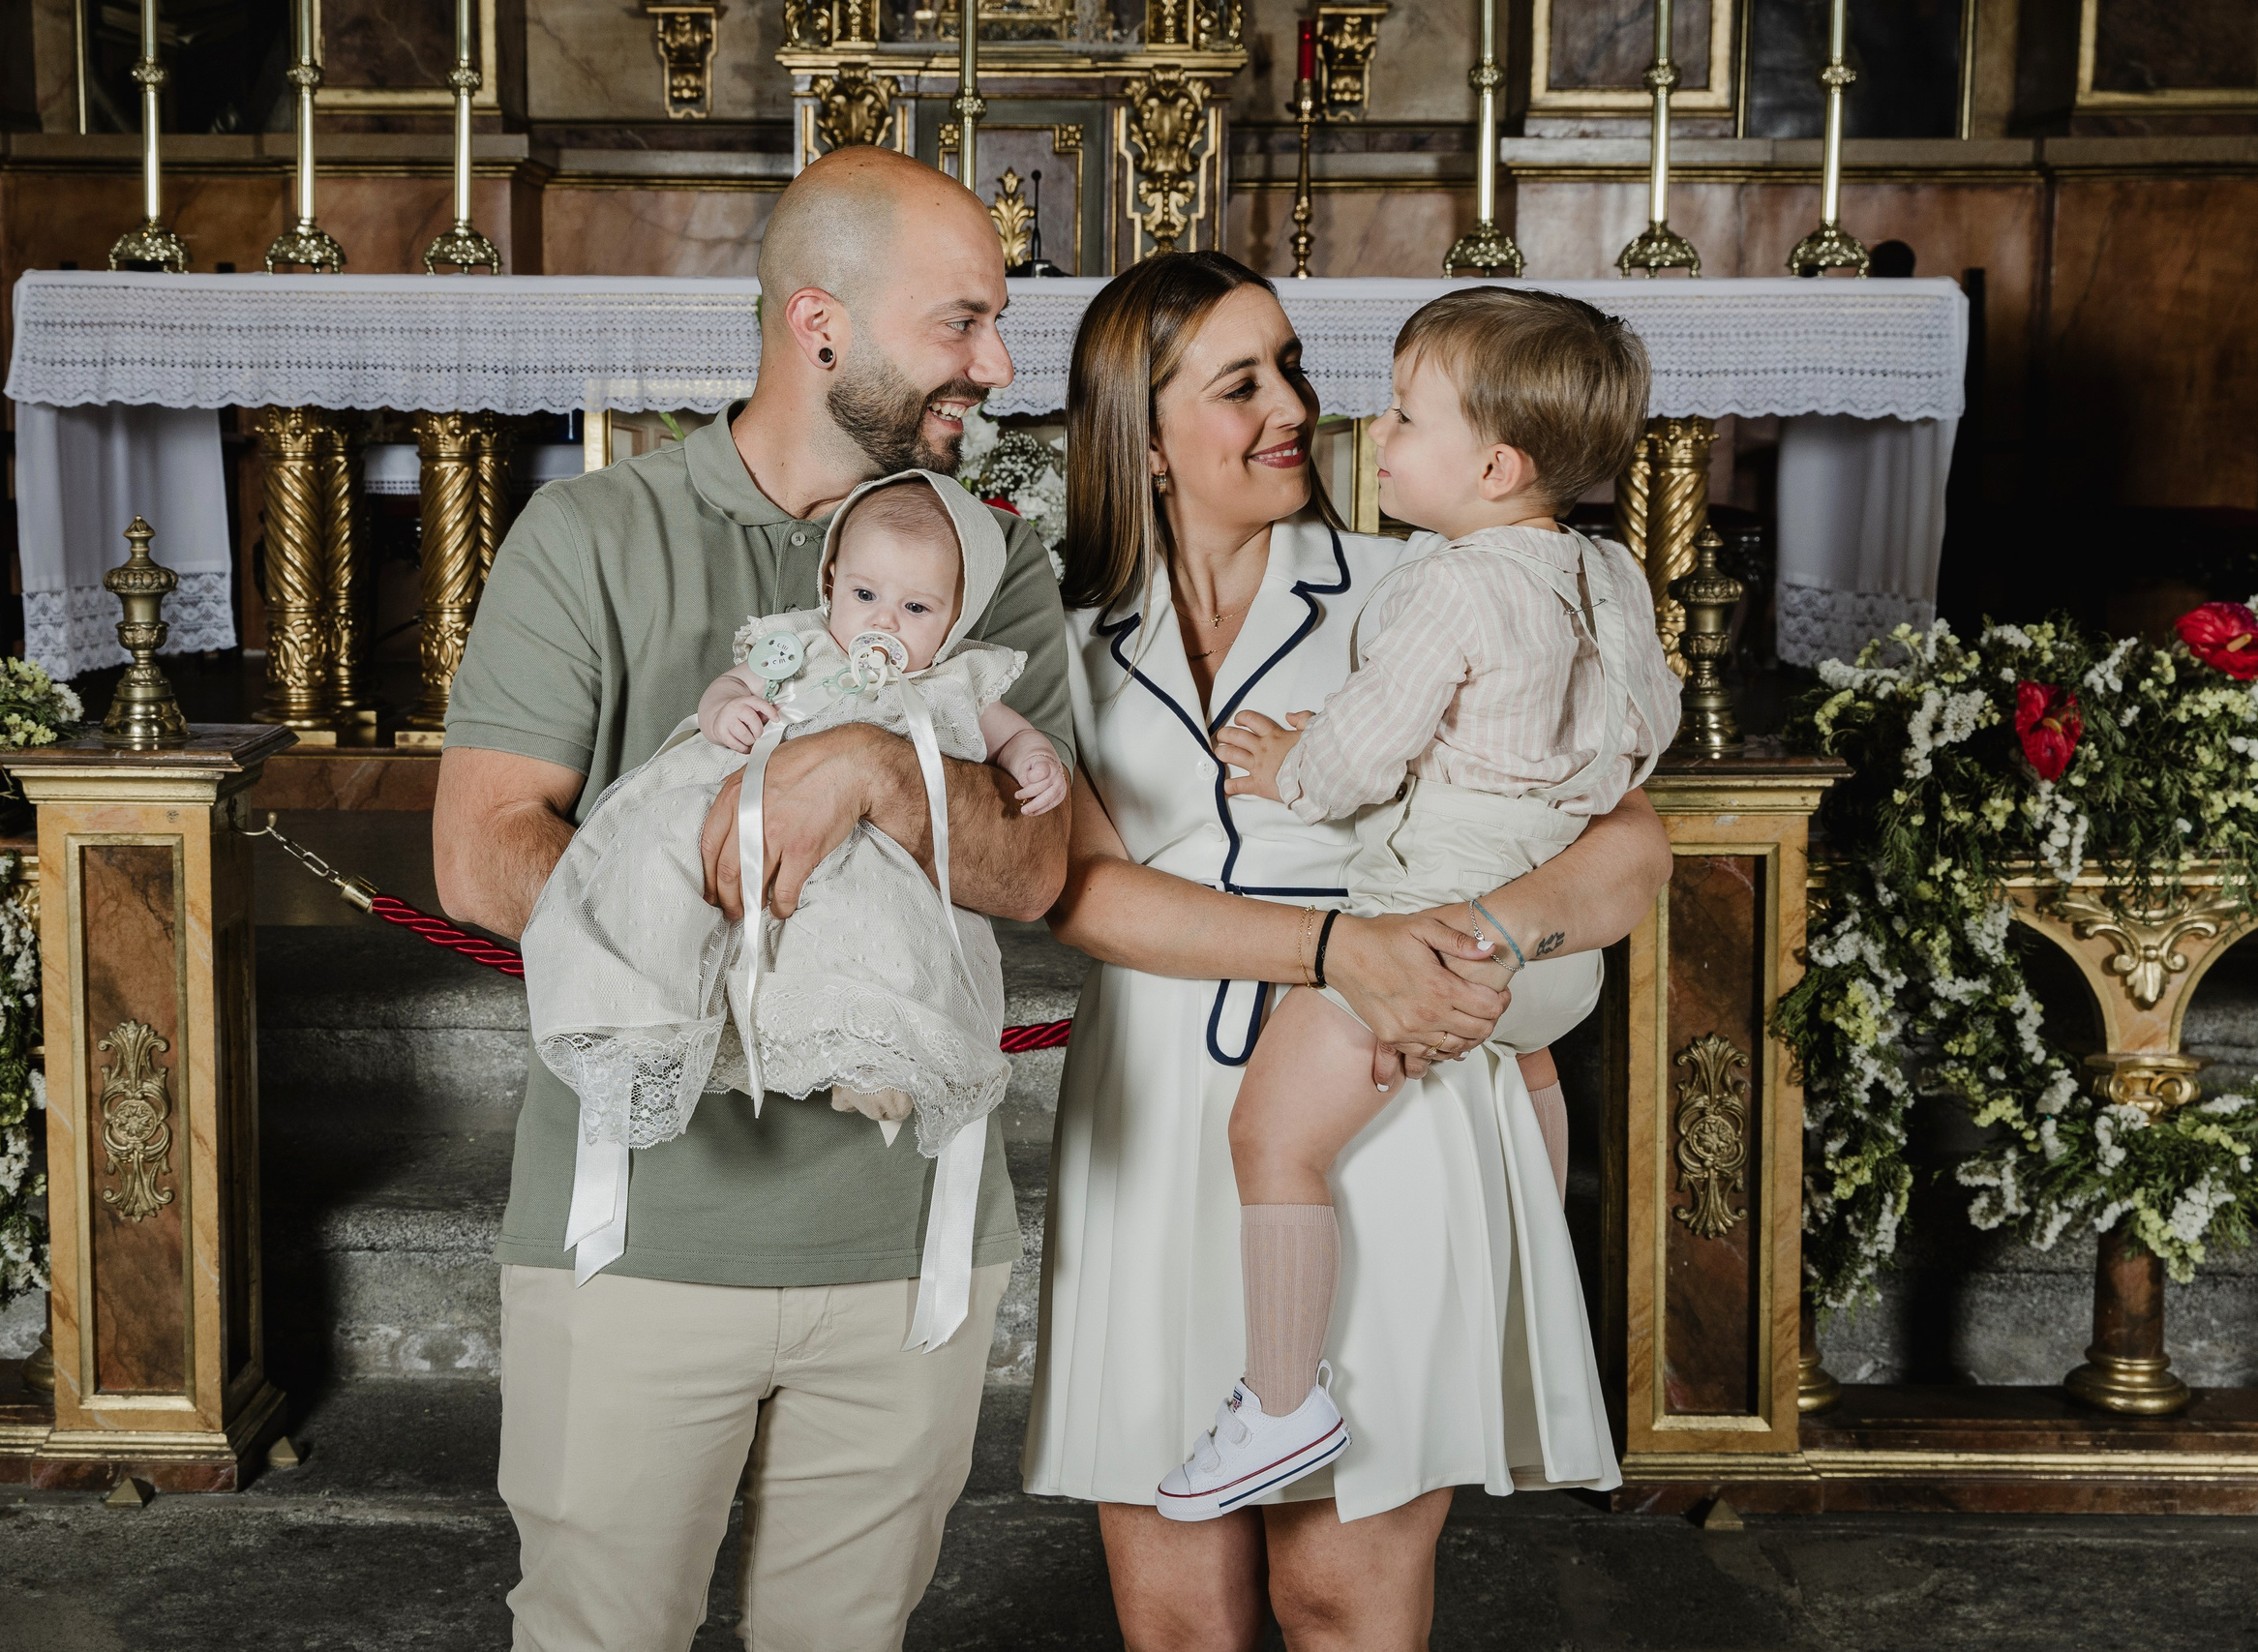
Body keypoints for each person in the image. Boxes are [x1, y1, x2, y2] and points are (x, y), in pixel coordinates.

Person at [431, 144, 1072, 1651]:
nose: (997, 362)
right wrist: (716, 932)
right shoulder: (593, 534)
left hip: (908, 1240)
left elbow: (1036, 864)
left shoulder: (984, 560)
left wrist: (865, 764)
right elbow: (482, 850)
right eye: (963, 320)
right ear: (819, 322)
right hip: (637, 1239)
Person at [1021, 252, 1671, 1651]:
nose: (1296, 408)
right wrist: (1334, 946)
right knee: (1178, 1617)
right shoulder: (1060, 635)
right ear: (1141, 436)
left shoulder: (1437, 574)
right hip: (1151, 1118)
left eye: (1295, 367)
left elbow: (1628, 844)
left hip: (1388, 1094)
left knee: (1339, 1596)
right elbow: (1077, 893)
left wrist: (1484, 937)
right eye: (1240, 383)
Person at [1159, 286, 1680, 1518]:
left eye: (1402, 416)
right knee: (1529, 1067)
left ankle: (1280, 1404)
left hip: (1435, 928)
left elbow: (1356, 760)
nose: (1373, 432)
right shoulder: (1607, 570)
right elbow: (1637, 731)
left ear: (1494, 467)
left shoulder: (1446, 583)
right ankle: (1524, 1303)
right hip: (1550, 959)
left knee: (1273, 1137)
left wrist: (1290, 764)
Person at [518, 473, 1068, 1351]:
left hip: (866, 851)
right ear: (830, 582)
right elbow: (723, 689)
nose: (884, 622)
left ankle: (871, 1055)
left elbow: (1011, 739)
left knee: (885, 926)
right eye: (865, 594)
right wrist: (729, 711)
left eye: (917, 608)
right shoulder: (795, 644)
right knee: (658, 852)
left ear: (956, 618)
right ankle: (642, 1016)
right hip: (731, 802)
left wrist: (1036, 759)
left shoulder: (956, 678)